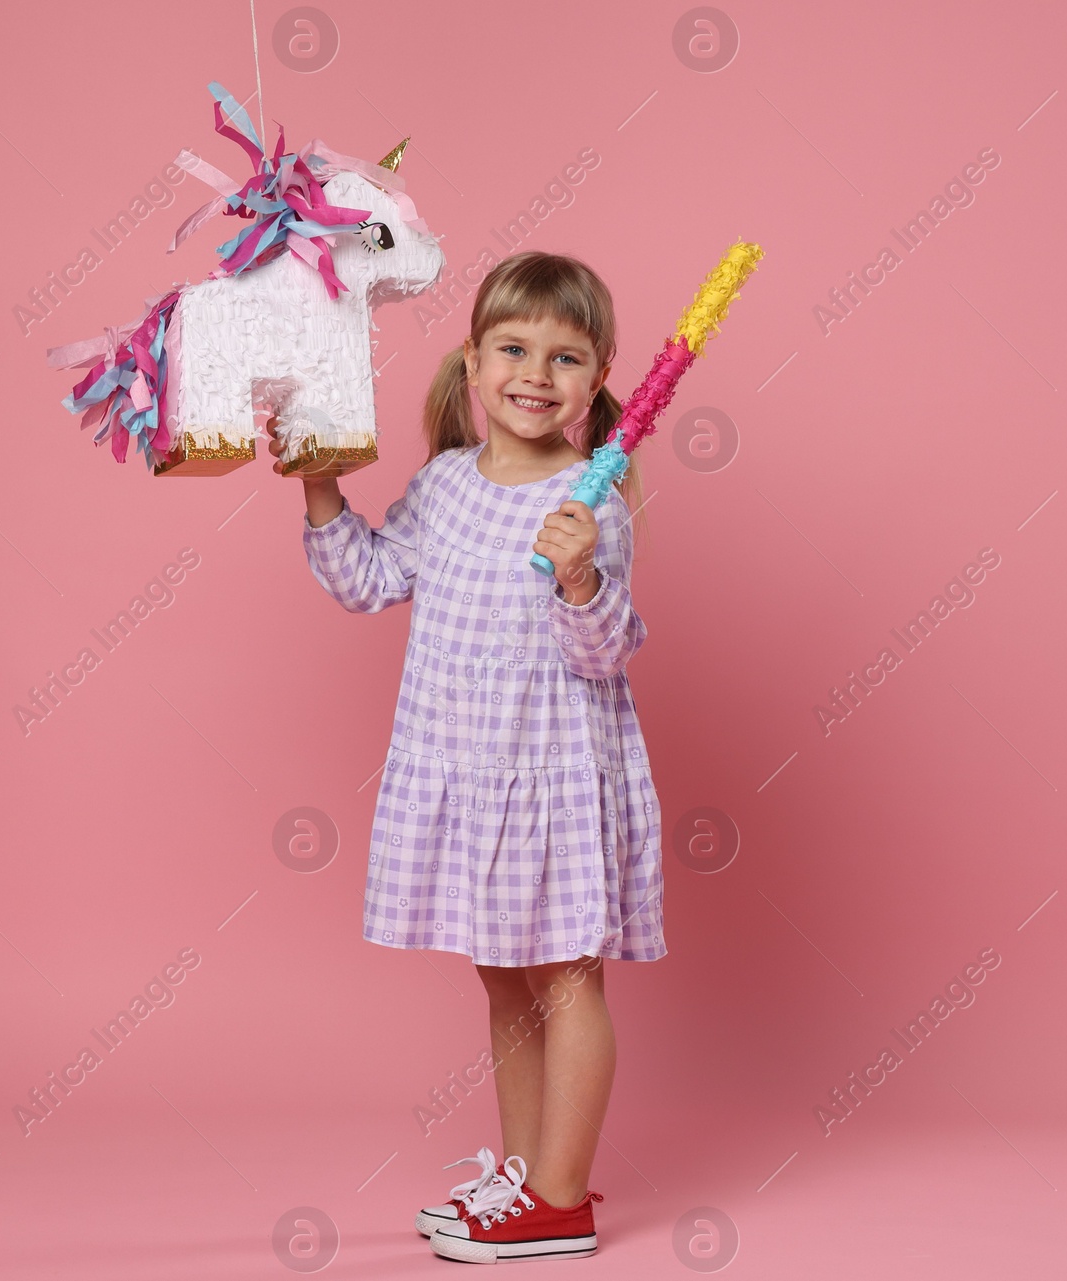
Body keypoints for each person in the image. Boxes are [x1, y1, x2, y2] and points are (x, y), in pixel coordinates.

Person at [273, 251, 665, 1264]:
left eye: (566, 356)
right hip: (463, 767)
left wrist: (580, 577)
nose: (537, 372)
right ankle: (525, 1178)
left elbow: (602, 653)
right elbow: (368, 581)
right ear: (474, 364)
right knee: (503, 981)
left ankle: (563, 1202)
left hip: (554, 776)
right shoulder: (444, 484)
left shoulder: (592, 504)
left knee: (568, 980)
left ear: (597, 380)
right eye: (515, 347)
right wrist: (320, 488)